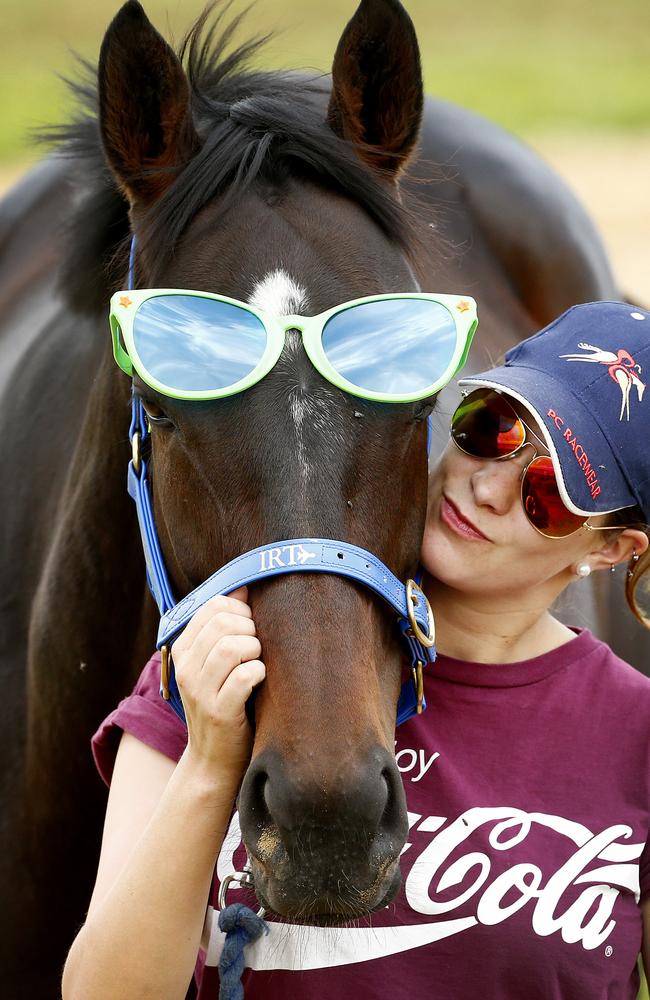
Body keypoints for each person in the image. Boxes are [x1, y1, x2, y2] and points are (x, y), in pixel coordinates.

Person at [62, 301, 650, 1000]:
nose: (487, 487)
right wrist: (210, 759)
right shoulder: (225, 659)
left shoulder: (635, 736)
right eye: (491, 430)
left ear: (612, 549)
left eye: (549, 493)